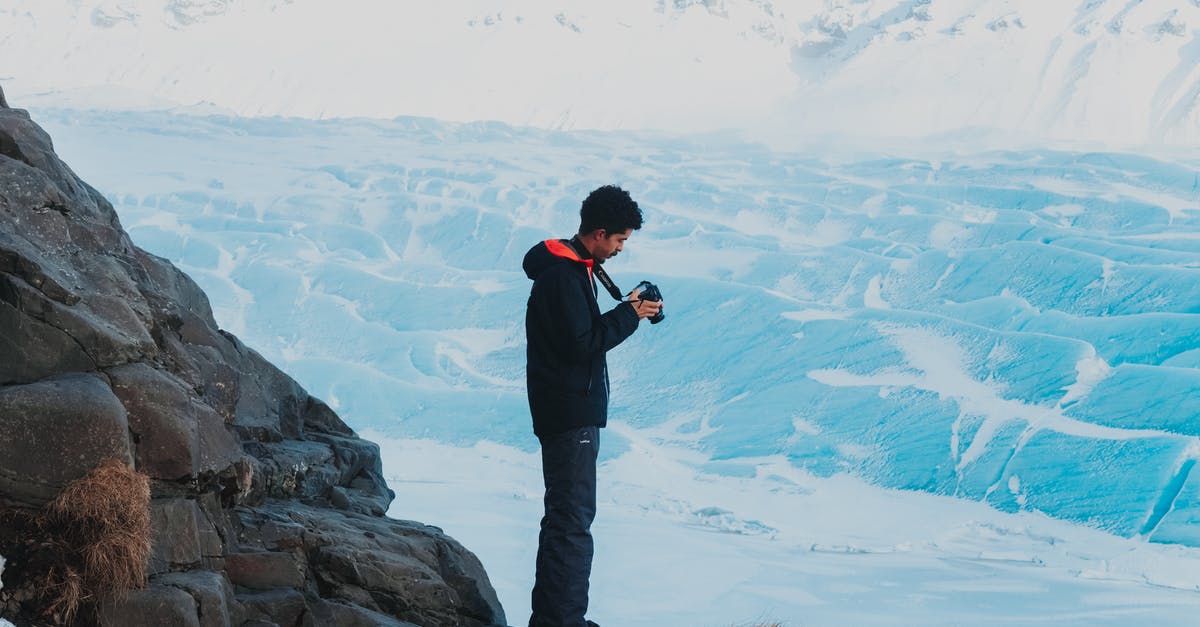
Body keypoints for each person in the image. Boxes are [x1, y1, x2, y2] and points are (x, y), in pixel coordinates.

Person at [522, 185, 663, 627]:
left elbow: (577, 335)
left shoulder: (572, 266)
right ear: (600, 233)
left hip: (565, 410)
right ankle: (561, 622)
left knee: (566, 519)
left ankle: (555, 618)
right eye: (620, 241)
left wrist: (626, 308)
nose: (620, 249)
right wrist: (631, 314)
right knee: (572, 523)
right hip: (570, 415)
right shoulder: (564, 274)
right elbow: (581, 344)